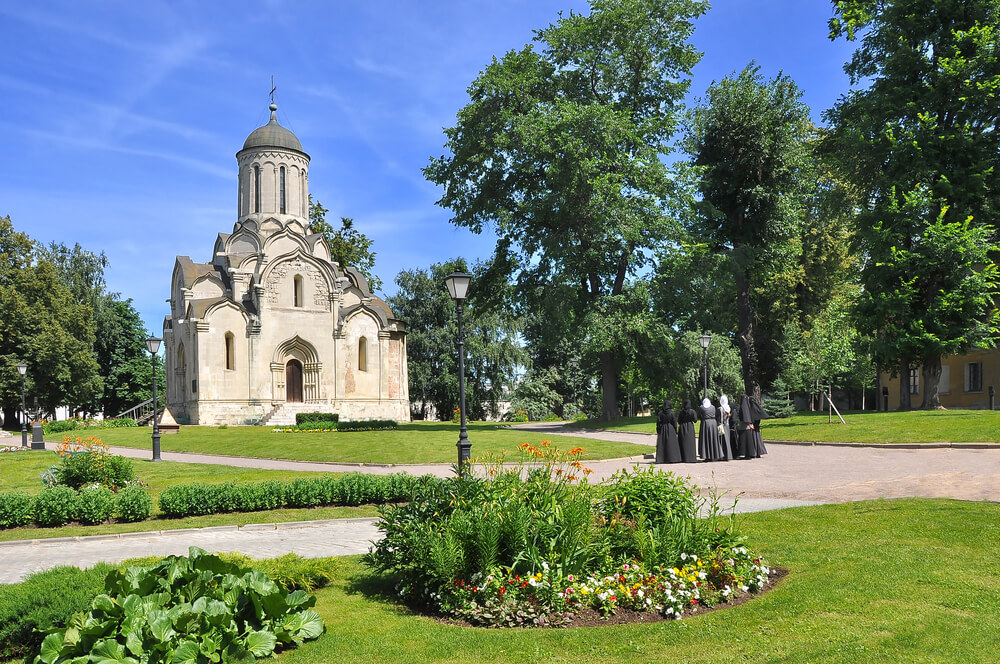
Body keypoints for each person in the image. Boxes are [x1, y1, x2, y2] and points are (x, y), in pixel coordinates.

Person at [737, 394, 769, 459]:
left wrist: (751, 423)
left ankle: (754, 453)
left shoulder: (750, 408)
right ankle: (757, 452)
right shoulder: (755, 408)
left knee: (753, 440)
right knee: (757, 441)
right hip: (755, 428)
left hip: (752, 428)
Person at [717, 394, 734, 460]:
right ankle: (728, 455)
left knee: (722, 441)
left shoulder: (720, 409)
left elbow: (718, 418)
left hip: (722, 425)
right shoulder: (728, 408)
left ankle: (722, 455)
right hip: (727, 425)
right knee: (727, 441)